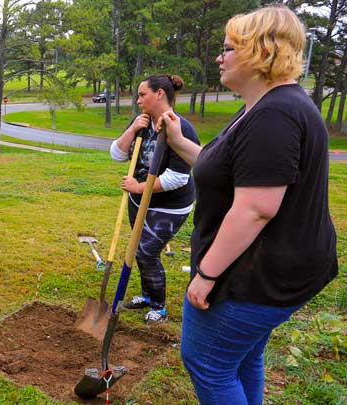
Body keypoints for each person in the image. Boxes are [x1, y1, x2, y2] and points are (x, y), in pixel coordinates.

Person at [159, 6, 338, 404]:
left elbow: (256, 207)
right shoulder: (262, 107)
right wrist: (177, 140)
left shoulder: (275, 115)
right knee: (241, 357)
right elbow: (228, 168)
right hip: (278, 267)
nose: (219, 58)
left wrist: (206, 274)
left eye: (228, 48)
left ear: (260, 52)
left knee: (207, 362)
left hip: (256, 276)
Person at [110, 74, 200, 324]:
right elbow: (117, 155)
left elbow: (179, 177)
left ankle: (159, 307)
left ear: (159, 94)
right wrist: (132, 128)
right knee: (137, 251)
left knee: (146, 252)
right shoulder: (142, 122)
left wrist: (139, 187)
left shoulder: (180, 127)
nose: (138, 100)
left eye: (142, 95)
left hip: (170, 206)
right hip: (140, 202)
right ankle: (147, 296)